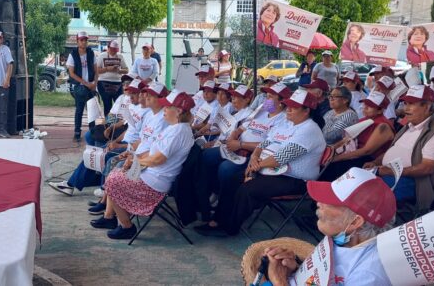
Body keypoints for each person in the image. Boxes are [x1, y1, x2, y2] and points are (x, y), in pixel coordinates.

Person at [195, 89, 326, 237]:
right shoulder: (287, 124)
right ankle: (218, 220)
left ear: (306, 111)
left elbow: (282, 157)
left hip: (294, 178)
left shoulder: (309, 129)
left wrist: (255, 166)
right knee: (232, 180)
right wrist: (254, 157)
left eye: (294, 107)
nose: (288, 109)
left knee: (247, 188)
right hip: (270, 169)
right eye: (288, 105)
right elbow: (264, 142)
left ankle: (229, 227)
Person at [262, 167, 395, 286]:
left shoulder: (369, 274)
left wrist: (279, 281)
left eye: (330, 201)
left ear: (355, 222)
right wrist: (296, 270)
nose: (319, 202)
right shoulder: (343, 240)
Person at [90, 91, 195, 240]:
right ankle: (114, 219)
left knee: (113, 181)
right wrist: (134, 157)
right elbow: (153, 153)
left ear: (178, 111)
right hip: (152, 175)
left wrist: (135, 161)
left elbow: (158, 159)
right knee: (115, 174)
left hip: (155, 182)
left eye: (167, 107)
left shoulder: (178, 131)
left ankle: (126, 227)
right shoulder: (176, 128)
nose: (164, 109)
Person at [196, 83, 290, 231]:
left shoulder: (283, 120)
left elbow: (269, 144)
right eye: (266, 95)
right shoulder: (261, 110)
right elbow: (240, 128)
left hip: (251, 155)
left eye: (270, 96)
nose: (266, 99)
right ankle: (205, 200)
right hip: (235, 146)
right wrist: (233, 139)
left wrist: (240, 145)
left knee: (226, 169)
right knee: (206, 156)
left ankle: (222, 203)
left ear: (282, 101)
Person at [48, 77, 144, 197]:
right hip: (115, 126)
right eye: (124, 83)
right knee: (92, 132)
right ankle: (81, 179)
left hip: (121, 130)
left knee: (97, 151)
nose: (126, 86)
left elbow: (126, 123)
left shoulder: (140, 108)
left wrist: (114, 131)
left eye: (129, 85)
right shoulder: (121, 98)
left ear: (141, 92)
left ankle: (75, 182)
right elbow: (111, 115)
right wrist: (102, 123)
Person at [363, 85, 434, 210]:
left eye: (411, 104)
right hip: (390, 174)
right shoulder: (409, 125)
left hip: (415, 184)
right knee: (355, 183)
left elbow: (426, 169)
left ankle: (367, 225)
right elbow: (393, 150)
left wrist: (387, 171)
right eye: (405, 103)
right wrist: (375, 162)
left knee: (369, 195)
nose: (406, 108)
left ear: (427, 107)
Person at [321, 91, 395, 181]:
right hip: (354, 153)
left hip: (369, 160)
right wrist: (331, 149)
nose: (365, 107)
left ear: (380, 110)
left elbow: (367, 150)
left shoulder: (383, 126)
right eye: (365, 104)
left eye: (370, 106)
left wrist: (336, 158)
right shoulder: (365, 119)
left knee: (332, 167)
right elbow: (347, 138)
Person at [67, 31, 98, 142]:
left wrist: (95, 83)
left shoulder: (91, 53)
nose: (84, 42)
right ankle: (77, 132)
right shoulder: (72, 54)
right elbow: (71, 73)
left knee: (92, 110)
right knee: (79, 110)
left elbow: (96, 70)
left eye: (85, 40)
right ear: (77, 41)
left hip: (91, 86)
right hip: (79, 86)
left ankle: (93, 132)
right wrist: (86, 83)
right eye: (81, 40)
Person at [96, 39, 129, 115]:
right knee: (107, 104)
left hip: (117, 82)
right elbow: (96, 70)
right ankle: (108, 124)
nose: (114, 52)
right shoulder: (102, 55)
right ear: (108, 48)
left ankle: (117, 123)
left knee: (119, 104)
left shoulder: (120, 56)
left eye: (116, 50)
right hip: (103, 82)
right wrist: (107, 69)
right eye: (113, 50)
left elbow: (126, 70)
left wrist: (119, 71)